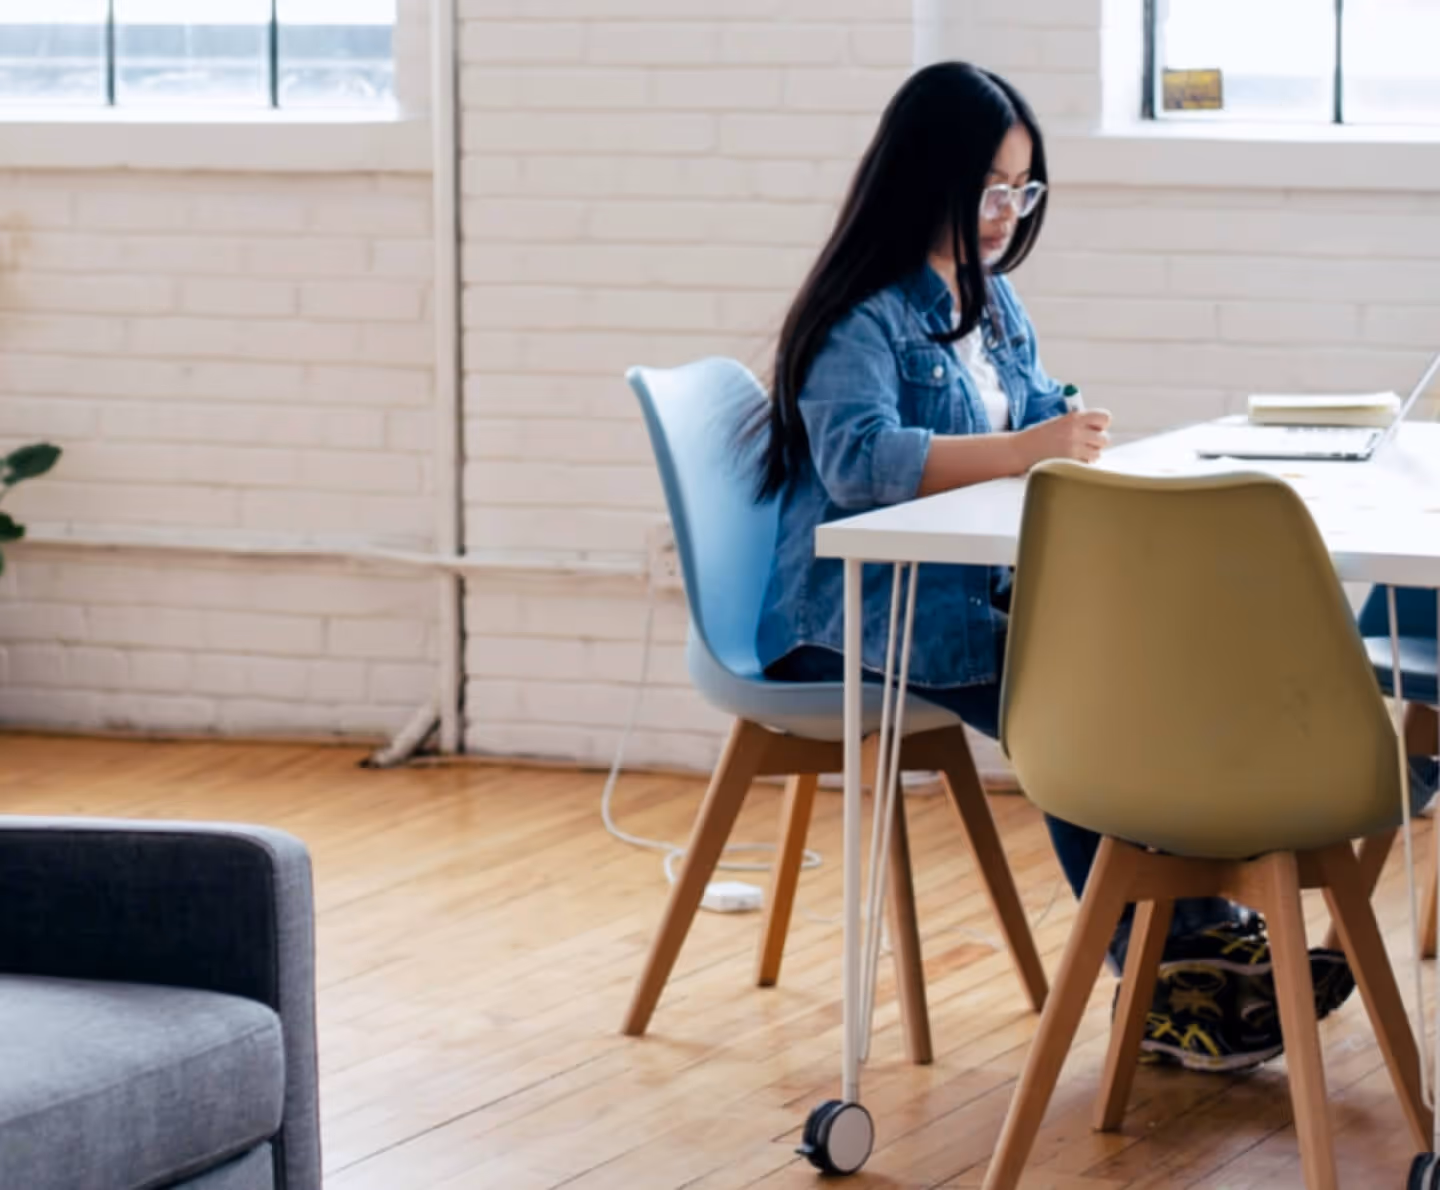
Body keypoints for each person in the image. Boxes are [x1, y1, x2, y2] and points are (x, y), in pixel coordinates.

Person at [748, 61, 1370, 1073]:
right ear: (926, 175)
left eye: (1022, 189)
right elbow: (859, 462)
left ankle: (1199, 952)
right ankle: (1174, 973)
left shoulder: (993, 306)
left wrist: (1059, 439)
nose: (1006, 211)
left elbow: (1034, 419)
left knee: (1142, 663)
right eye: (990, 187)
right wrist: (1023, 447)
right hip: (857, 617)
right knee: (1082, 697)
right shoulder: (861, 314)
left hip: (969, 593)